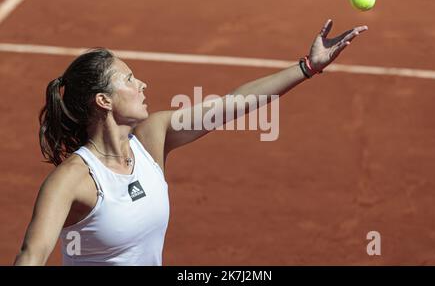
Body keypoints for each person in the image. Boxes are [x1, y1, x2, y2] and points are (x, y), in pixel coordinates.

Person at [14, 20, 368, 265]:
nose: (143, 85)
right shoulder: (72, 180)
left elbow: (233, 103)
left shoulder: (153, 136)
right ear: (104, 101)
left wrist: (308, 66)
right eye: (129, 79)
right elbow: (32, 255)